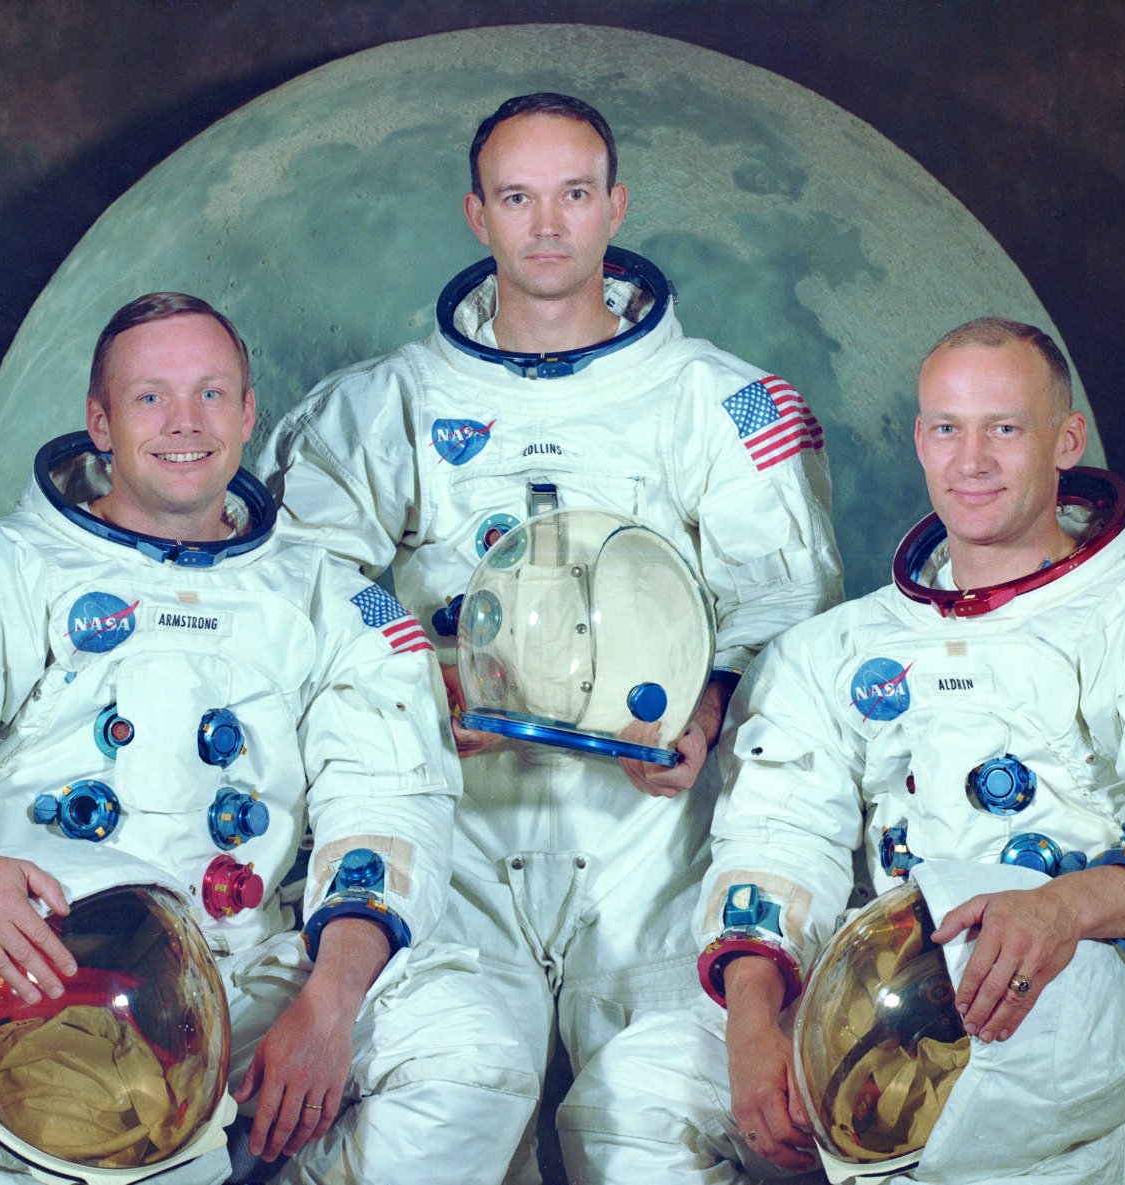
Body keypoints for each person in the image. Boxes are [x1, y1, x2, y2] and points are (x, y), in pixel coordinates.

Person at [557, 317, 1125, 1184]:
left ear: (1067, 440)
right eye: (948, 428)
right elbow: (776, 835)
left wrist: (1066, 907)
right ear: (920, 440)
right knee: (628, 1107)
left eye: (1005, 428)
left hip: (1085, 1005)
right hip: (873, 995)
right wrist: (751, 1022)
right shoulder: (833, 649)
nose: (972, 460)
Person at [0, 293, 537, 1185]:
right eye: (150, 397)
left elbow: (387, 800)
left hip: (250, 965)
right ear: (100, 422)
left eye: (210, 394)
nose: (184, 422)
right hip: (41, 965)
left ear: (247, 414)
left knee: (474, 1056)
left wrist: (330, 1002)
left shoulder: (338, 603)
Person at [260, 93, 843, 1175]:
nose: (546, 225)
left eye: (573, 195)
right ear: (476, 215)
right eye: (518, 198)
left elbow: (789, 609)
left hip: (653, 840)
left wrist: (711, 706)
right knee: (445, 1109)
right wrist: (418, 682)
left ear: (615, 206)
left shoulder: (720, 402)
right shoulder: (381, 405)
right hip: (458, 828)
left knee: (649, 1133)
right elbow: (298, 594)